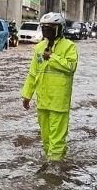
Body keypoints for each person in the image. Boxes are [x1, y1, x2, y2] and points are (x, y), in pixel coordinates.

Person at [21, 12, 78, 167]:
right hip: (43, 101)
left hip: (59, 102)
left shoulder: (69, 47)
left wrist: (52, 57)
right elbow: (33, 73)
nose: (47, 30)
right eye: (45, 27)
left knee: (57, 140)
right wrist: (27, 95)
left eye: (51, 27)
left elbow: (71, 67)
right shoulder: (39, 47)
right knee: (46, 139)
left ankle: (55, 170)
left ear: (60, 28)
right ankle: (49, 165)